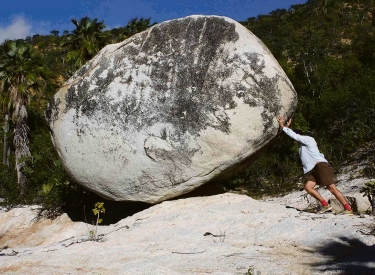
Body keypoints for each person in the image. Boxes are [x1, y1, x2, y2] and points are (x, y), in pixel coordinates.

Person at [277, 115, 353, 215]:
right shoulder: (302, 144)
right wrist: (287, 128)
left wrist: (283, 126)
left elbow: (294, 135)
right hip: (315, 168)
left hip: (322, 166)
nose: (295, 138)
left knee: (331, 188)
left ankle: (348, 209)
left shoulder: (309, 139)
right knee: (308, 187)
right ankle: (325, 205)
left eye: (296, 135)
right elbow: (293, 135)